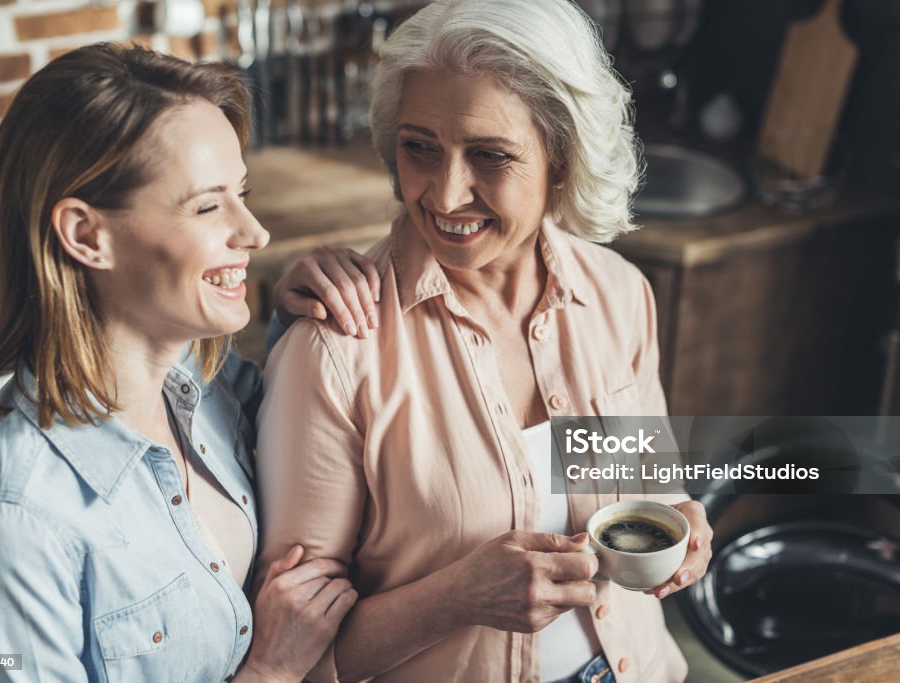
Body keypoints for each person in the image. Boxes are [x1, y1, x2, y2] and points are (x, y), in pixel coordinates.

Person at [256, 1, 714, 681]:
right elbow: (294, 655)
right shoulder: (335, 346)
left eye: (490, 155)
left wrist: (683, 518)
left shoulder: (618, 293)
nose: (445, 193)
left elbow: (650, 485)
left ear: (562, 158)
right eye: (420, 148)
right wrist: (456, 598)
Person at [0, 43, 379, 682]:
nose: (255, 232)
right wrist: (271, 671)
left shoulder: (213, 389)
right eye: (207, 206)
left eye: (241, 193)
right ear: (87, 235)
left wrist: (299, 324)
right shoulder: (8, 517)